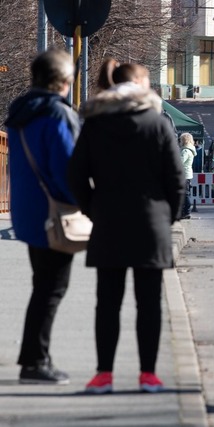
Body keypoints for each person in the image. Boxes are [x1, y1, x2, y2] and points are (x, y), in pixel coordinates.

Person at [67, 59, 185, 394]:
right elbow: (176, 178)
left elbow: (75, 174)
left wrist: (92, 209)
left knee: (107, 302)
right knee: (148, 303)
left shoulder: (95, 123)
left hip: (108, 222)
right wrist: (169, 216)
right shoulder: (158, 123)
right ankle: (148, 374)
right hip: (152, 223)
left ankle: (103, 374)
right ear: (139, 84)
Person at [4, 49, 79, 384]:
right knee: (51, 288)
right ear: (63, 81)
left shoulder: (21, 112)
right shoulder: (56, 114)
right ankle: (35, 361)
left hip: (29, 212)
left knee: (44, 285)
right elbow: (67, 169)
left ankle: (36, 357)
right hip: (55, 214)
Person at [179, 132, 197, 219]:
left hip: (184, 174)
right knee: (185, 193)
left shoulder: (185, 151)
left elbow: (180, 162)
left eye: (180, 140)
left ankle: (186, 212)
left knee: (184, 194)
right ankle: (185, 211)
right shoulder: (190, 149)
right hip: (187, 173)